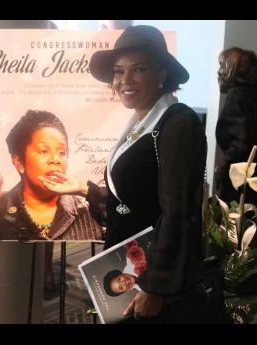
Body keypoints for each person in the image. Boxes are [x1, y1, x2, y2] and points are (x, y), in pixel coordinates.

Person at [40, 25, 223, 323]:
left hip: (156, 276)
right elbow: (133, 203)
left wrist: (156, 285)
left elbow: (179, 212)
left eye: (138, 69)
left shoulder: (178, 123)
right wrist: (84, 190)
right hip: (129, 267)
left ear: (162, 74)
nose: (125, 80)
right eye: (118, 71)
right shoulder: (139, 124)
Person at [0, 110, 104, 242]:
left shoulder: (90, 209)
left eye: (62, 152)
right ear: (19, 162)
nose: (55, 159)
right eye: (43, 151)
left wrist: (85, 190)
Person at [215, 47, 257, 205]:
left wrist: (221, 170)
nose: (219, 72)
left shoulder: (237, 96)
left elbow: (241, 144)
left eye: (222, 66)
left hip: (240, 182)